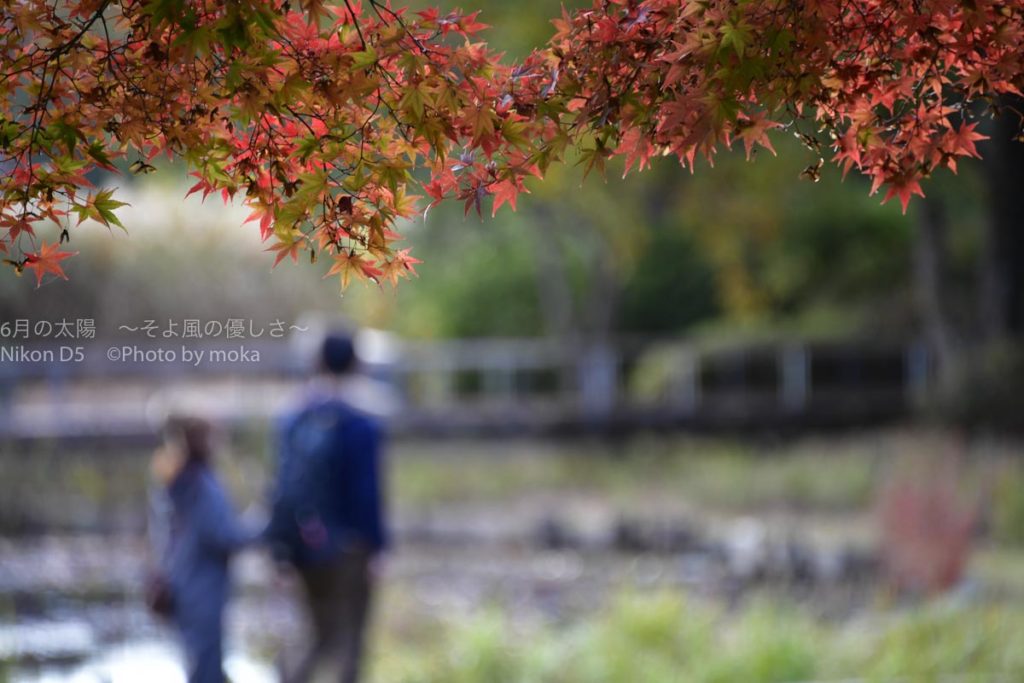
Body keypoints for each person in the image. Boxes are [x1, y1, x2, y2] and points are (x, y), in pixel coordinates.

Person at [267, 332, 388, 683]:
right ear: (356, 364)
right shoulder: (360, 423)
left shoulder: (292, 418)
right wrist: (378, 547)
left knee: (317, 634)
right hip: (350, 547)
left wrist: (280, 549)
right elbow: (367, 493)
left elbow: (279, 485)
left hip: (303, 544)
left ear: (317, 362)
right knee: (349, 639)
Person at [149, 415, 260, 683]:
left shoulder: (175, 481)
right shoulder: (202, 485)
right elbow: (225, 536)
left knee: (201, 665)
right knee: (206, 669)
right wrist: (265, 524)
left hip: (181, 586)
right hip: (203, 591)